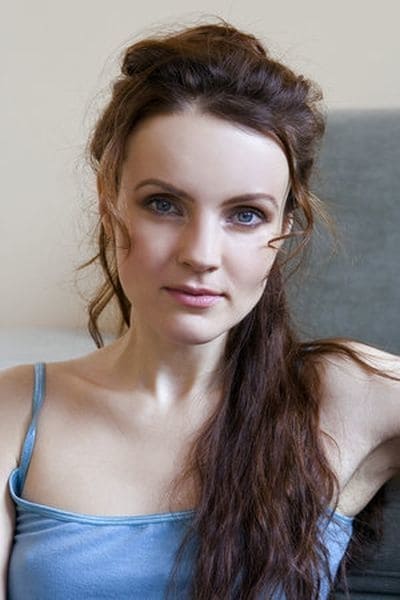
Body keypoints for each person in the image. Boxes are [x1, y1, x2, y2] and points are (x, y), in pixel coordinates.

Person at [0, 18, 399, 600]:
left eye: (246, 215)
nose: (201, 255)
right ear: (109, 203)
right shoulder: (17, 411)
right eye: (164, 204)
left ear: (286, 228)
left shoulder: (342, 394)